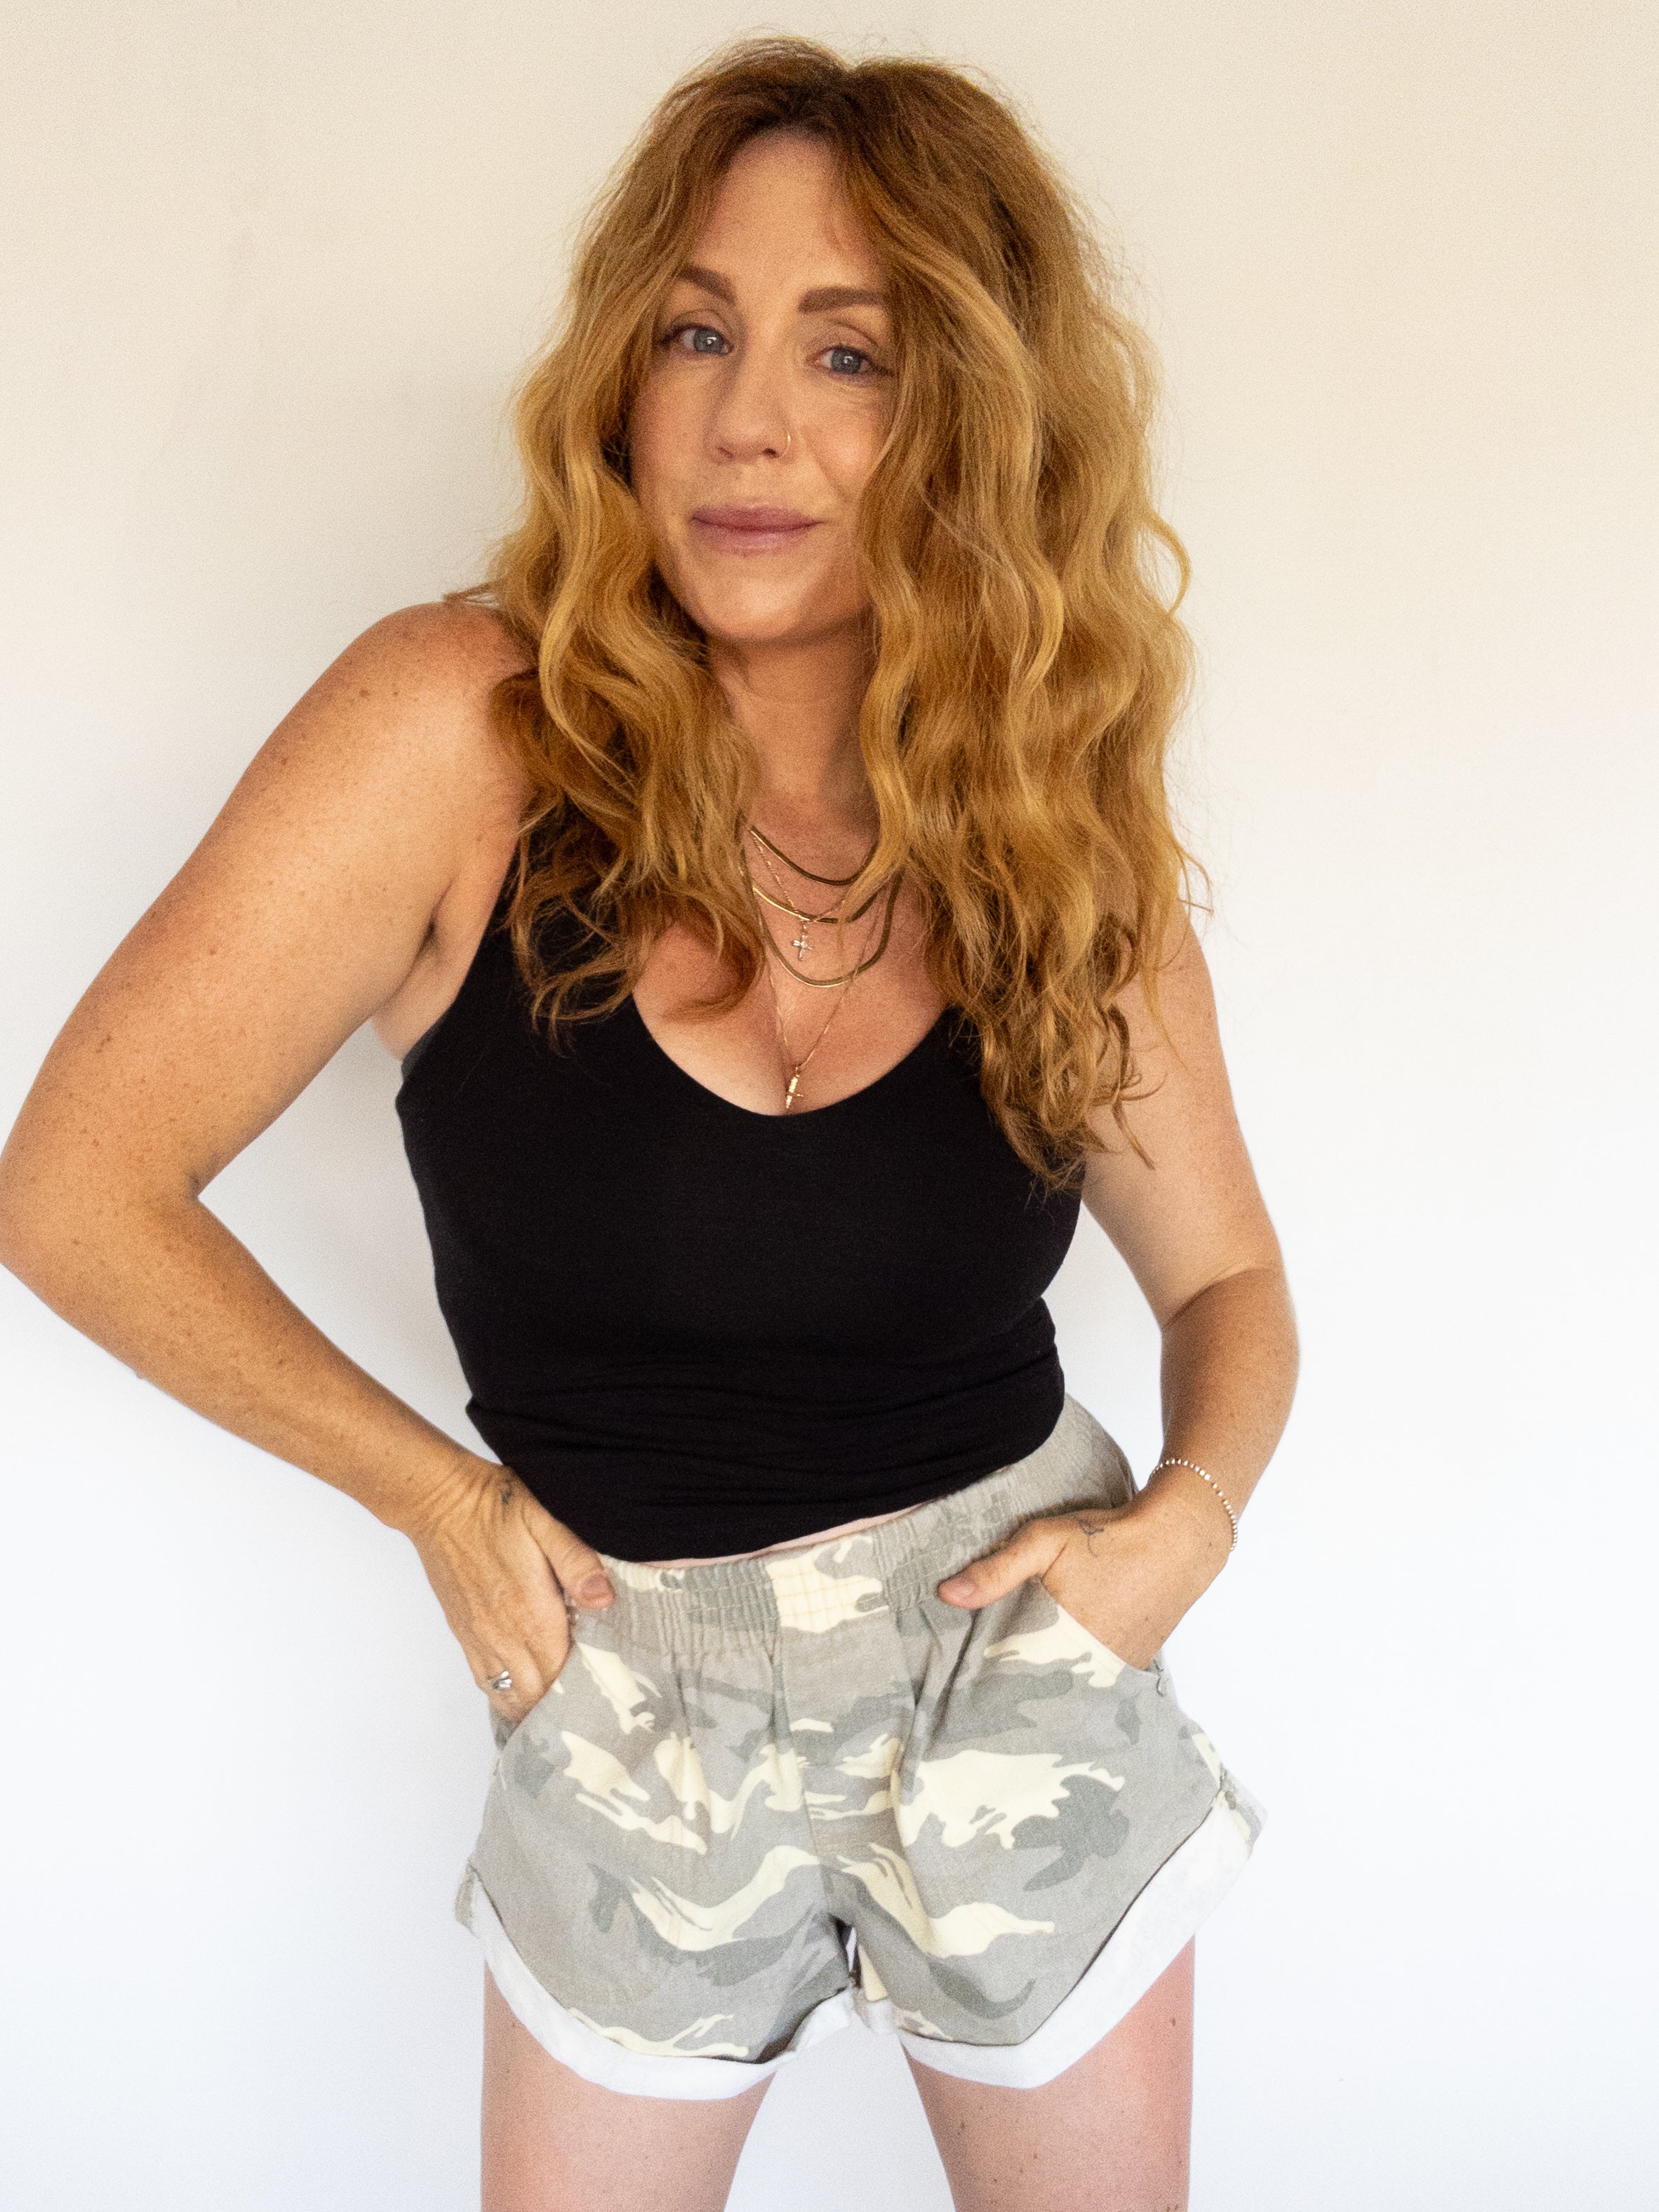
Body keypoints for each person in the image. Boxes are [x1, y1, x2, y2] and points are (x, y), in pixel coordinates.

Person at [0, 36, 1298, 2212]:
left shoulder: (1042, 807)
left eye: (847, 353)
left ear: (972, 421)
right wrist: (434, 1500)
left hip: (1019, 1664)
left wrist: (1189, 1523)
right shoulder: (452, 730)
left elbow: (1226, 1271)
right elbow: (74, 1190)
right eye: (695, 332)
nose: (745, 420)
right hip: (631, 1697)